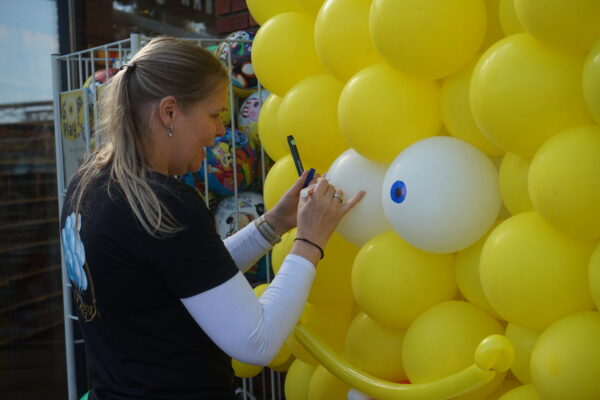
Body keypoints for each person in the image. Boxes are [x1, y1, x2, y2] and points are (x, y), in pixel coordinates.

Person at [60, 36, 364, 400]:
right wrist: (311, 239)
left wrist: (274, 224)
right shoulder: (161, 204)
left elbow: (189, 274)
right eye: (214, 114)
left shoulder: (87, 184)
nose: (221, 131)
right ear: (169, 112)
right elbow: (258, 341)